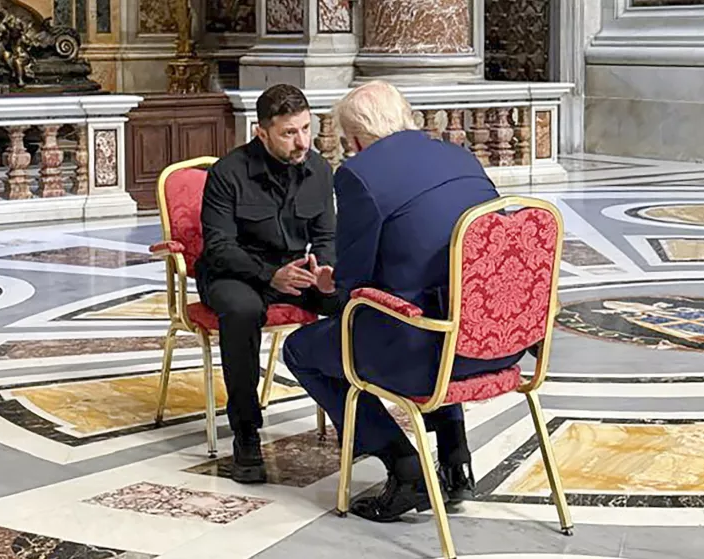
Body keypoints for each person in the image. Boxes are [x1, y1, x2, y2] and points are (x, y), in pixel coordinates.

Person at [282, 81, 529, 522]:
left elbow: (355, 286)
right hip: (497, 343)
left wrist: (327, 284)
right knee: (443, 301)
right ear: (406, 116)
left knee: (302, 349)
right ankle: (456, 459)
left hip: (423, 359)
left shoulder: (360, 174)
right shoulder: (460, 155)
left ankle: (402, 463)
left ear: (355, 138)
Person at [197, 84, 340, 484]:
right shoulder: (228, 173)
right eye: (289, 133)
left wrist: (325, 272)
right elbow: (219, 246)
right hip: (234, 273)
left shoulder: (319, 170)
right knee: (242, 312)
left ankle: (355, 416)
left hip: (294, 270)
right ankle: (246, 432)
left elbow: (327, 237)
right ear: (261, 132)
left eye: (306, 129)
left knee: (352, 301)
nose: (302, 142)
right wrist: (268, 275)